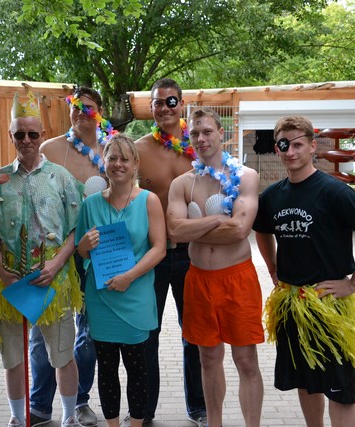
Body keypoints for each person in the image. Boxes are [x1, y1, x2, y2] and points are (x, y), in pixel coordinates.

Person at [253, 115, 355, 427]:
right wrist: (273, 268)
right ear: (277, 148)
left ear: (312, 146)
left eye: (298, 144)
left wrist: (352, 284)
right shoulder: (272, 195)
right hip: (292, 305)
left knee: (340, 390)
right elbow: (262, 230)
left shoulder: (334, 191)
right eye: (284, 145)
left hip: (328, 306)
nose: (290, 152)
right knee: (306, 382)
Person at [0, 92, 83, 427]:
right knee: (13, 357)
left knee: (62, 354)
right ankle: (17, 417)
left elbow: (76, 229)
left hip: (54, 280)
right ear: (11, 136)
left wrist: (56, 264)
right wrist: (1, 270)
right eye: (19, 134)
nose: (26, 140)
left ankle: (69, 416)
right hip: (11, 282)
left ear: (42, 135)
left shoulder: (62, 178)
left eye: (32, 133)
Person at [167, 107, 264, 427]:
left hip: (237, 278)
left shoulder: (246, 177)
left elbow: (239, 230)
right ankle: (215, 423)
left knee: (245, 360)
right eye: (194, 133)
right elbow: (174, 231)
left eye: (207, 131)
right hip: (198, 280)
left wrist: (193, 227)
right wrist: (215, 220)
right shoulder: (182, 183)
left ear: (222, 133)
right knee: (208, 359)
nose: (201, 138)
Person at [29, 86, 111, 426]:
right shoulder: (49, 149)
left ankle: (79, 401)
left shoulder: (111, 149)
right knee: (42, 329)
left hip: (95, 251)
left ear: (100, 112)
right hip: (52, 252)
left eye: (88, 107)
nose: (81, 113)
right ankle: (39, 404)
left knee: (87, 333)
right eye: (76, 107)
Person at [75, 133, 166, 427]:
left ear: (135, 164)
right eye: (112, 158)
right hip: (102, 298)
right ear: (104, 162)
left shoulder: (149, 201)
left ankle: (136, 424)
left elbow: (159, 248)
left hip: (136, 295)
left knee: (138, 369)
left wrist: (129, 276)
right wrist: (83, 246)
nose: (118, 164)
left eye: (125, 159)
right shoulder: (90, 204)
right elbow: (81, 251)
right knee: (107, 369)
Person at [134, 78, 207, 426]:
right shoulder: (138, 150)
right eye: (157, 102)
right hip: (151, 255)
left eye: (170, 101)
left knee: (194, 334)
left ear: (182, 104)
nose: (164, 107)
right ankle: (144, 409)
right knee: (147, 335)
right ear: (150, 107)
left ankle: (199, 407)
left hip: (193, 255)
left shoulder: (200, 148)